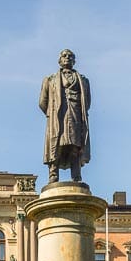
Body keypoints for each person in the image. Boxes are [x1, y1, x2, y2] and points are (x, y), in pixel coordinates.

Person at [39, 49, 91, 183]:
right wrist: (53, 112)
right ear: (60, 60)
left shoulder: (83, 81)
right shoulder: (50, 80)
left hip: (75, 115)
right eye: (64, 55)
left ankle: (77, 175)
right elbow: (42, 102)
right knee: (57, 145)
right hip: (58, 117)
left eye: (70, 56)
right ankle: (53, 174)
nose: (67, 57)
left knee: (75, 146)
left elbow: (87, 101)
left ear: (74, 61)